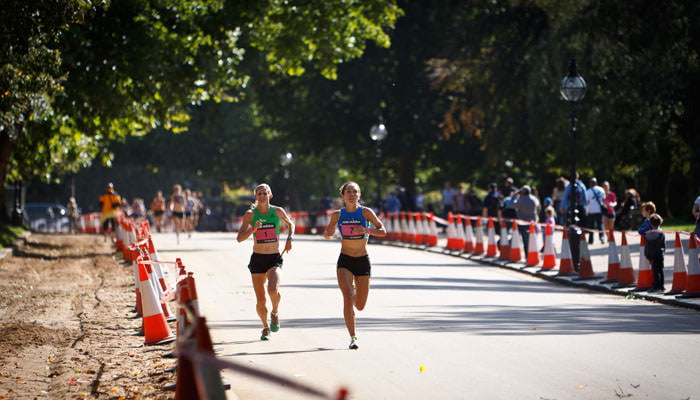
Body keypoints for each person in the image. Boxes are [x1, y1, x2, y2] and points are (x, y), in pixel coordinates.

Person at [324, 182, 386, 349]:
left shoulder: (365, 212)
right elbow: (327, 234)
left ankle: (356, 290)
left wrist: (366, 230)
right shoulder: (337, 215)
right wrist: (328, 233)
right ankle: (353, 337)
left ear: (359, 195)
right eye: (348, 192)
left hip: (362, 260)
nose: (351, 194)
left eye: (355, 192)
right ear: (343, 195)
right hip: (345, 261)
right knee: (348, 296)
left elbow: (383, 231)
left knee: (360, 305)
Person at [236, 183, 295, 341]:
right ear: (256, 197)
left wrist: (290, 238)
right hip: (257, 259)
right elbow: (239, 238)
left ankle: (275, 312)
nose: (262, 196)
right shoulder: (250, 215)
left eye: (265, 193)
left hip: (274, 257)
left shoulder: (277, 211)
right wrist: (252, 230)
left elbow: (291, 224)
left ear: (270, 195)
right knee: (261, 299)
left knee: (272, 289)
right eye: (259, 193)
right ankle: (265, 326)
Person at [513, 185, 540, 252]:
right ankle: (533, 255)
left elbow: (511, 205)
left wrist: (514, 195)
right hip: (532, 222)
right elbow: (539, 207)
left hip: (523, 223)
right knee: (533, 240)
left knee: (525, 241)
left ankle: (527, 256)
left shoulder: (520, 199)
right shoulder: (534, 199)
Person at [644, 213, 665, 292]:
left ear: (650, 223)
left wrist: (647, 255)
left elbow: (647, 246)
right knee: (661, 270)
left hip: (652, 254)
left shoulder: (648, 234)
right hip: (660, 253)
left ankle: (655, 286)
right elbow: (663, 244)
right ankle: (662, 286)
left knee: (655, 271)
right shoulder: (661, 233)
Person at [585, 177, 606, 244]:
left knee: (591, 226)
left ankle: (591, 240)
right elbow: (603, 199)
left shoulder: (588, 191)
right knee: (600, 225)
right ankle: (601, 237)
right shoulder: (601, 189)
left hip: (591, 210)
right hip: (599, 210)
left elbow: (587, 202)